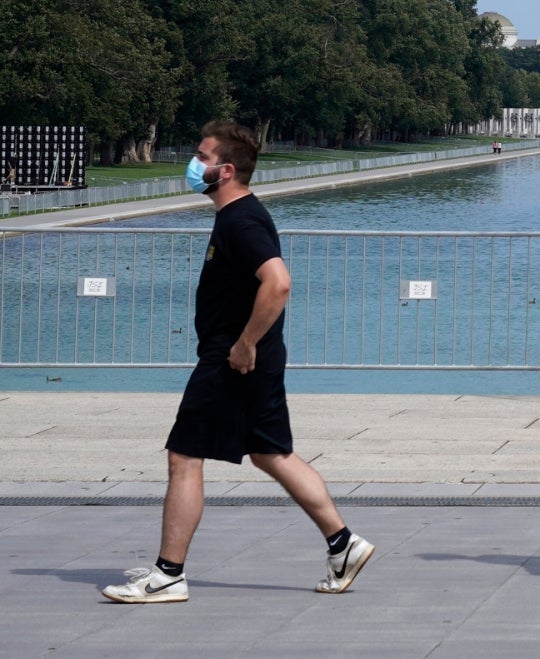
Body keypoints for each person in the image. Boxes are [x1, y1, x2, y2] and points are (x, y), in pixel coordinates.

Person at [103, 122, 376, 605]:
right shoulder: (237, 215)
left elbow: (279, 282)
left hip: (233, 360)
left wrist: (246, 343)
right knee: (271, 453)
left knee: (184, 456)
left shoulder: (240, 221)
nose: (194, 164)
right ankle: (343, 543)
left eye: (201, 156)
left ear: (225, 170)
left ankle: (168, 575)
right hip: (253, 359)